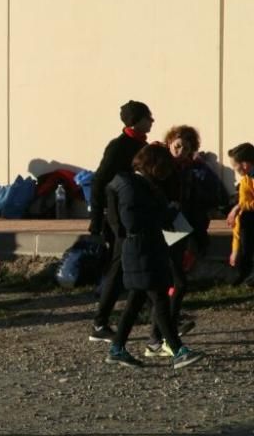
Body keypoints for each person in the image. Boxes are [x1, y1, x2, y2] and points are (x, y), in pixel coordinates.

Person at [104, 144, 204, 369]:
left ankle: (117, 348)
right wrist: (165, 214)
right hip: (143, 249)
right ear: (154, 165)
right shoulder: (134, 187)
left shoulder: (136, 185)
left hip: (143, 248)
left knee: (136, 300)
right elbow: (134, 221)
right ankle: (177, 350)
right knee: (159, 299)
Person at [144, 126, 227, 357]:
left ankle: (161, 334)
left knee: (175, 283)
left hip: (182, 226)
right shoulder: (161, 168)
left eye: (187, 148)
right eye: (178, 146)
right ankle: (162, 336)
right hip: (166, 229)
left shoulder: (191, 171)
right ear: (170, 143)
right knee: (175, 284)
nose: (181, 151)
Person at [88, 100, 152, 343]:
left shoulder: (142, 146)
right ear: (137, 120)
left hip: (137, 214)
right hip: (120, 217)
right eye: (148, 117)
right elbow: (98, 181)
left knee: (140, 263)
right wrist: (96, 218)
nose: (152, 121)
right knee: (120, 267)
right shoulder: (119, 147)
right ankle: (100, 322)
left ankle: (157, 315)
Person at [226, 142, 254, 286]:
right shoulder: (245, 182)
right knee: (245, 219)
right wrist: (235, 249)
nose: (234, 169)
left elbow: (243, 206)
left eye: (234, 166)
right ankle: (244, 270)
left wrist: (239, 207)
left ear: (244, 164)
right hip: (249, 219)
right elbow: (241, 216)